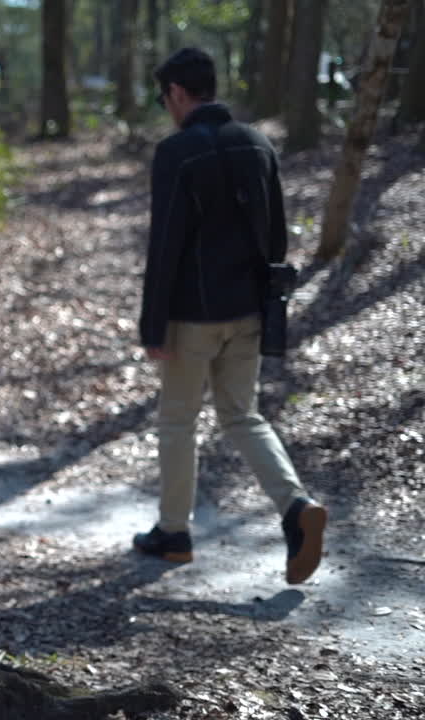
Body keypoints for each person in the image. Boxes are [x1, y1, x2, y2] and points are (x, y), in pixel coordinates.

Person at [134, 47, 327, 584]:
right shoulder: (258, 143)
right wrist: (269, 304)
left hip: (192, 316)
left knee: (177, 420)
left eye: (163, 96)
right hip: (249, 309)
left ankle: (173, 533)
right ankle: (296, 507)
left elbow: (165, 244)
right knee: (243, 416)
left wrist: (153, 326)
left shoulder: (176, 152)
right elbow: (278, 236)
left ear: (176, 92)